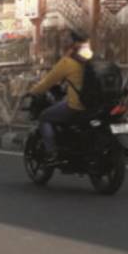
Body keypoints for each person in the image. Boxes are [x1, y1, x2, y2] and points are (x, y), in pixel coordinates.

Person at [30, 30, 92, 160]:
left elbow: (47, 82)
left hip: (77, 105)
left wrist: (32, 91)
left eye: (66, 40)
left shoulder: (67, 63)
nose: (63, 43)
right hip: (95, 105)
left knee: (44, 117)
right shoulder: (93, 60)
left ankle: (51, 151)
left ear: (71, 44)